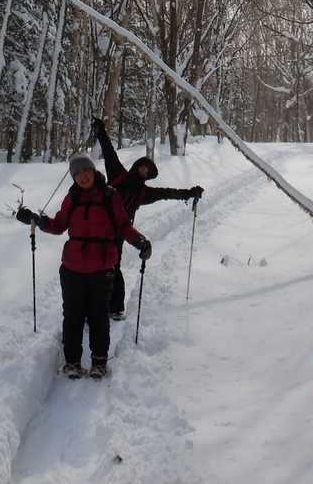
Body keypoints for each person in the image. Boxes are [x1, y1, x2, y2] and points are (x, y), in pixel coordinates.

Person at [16, 155, 150, 380]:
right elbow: (58, 225)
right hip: (72, 268)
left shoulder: (110, 196)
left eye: (85, 171)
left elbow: (124, 226)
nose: (82, 176)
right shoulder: (73, 197)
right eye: (77, 173)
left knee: (99, 317)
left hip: (102, 268)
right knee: (72, 316)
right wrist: (35, 220)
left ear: (93, 171)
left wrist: (140, 242)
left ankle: (99, 363)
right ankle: (72, 363)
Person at [92, 119, 204, 321]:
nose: (143, 171)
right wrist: (100, 131)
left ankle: (115, 308)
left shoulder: (144, 192)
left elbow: (167, 193)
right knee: (93, 267)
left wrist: (189, 193)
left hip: (120, 232)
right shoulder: (118, 174)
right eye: (142, 167)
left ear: (149, 175)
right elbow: (109, 152)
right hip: (98, 227)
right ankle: (93, 307)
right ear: (136, 167)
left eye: (147, 170)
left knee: (112, 267)